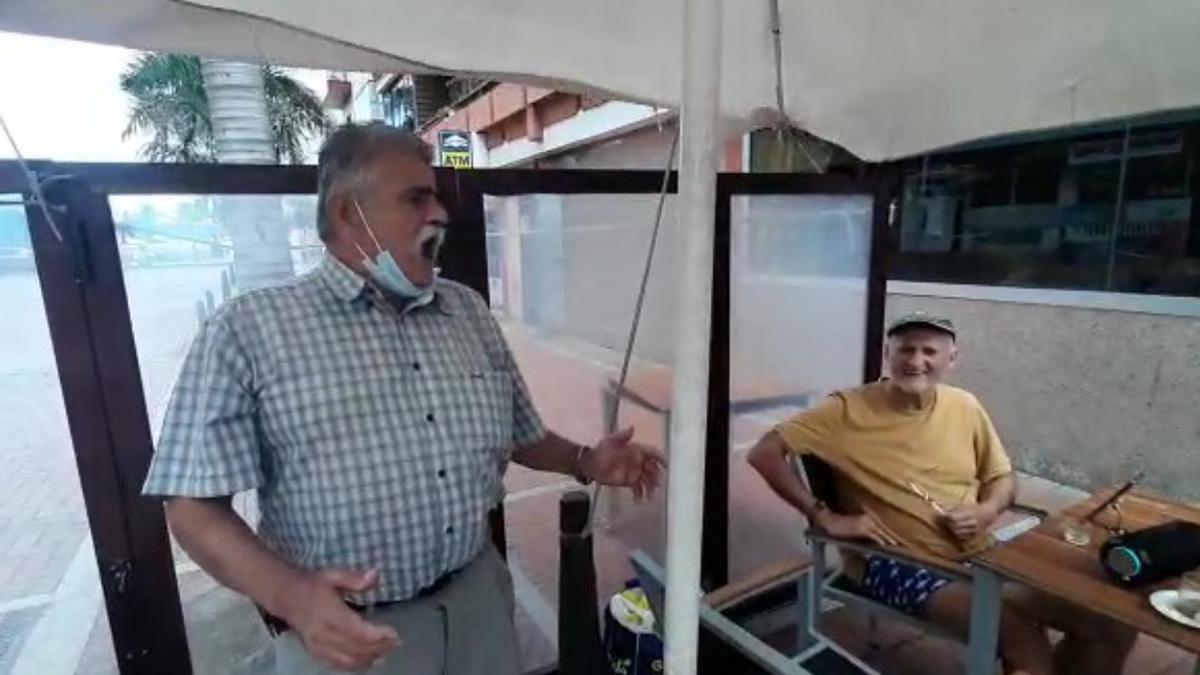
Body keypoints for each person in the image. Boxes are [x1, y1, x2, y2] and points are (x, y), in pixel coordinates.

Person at [142, 122, 666, 675]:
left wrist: (585, 460)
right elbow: (192, 505)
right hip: (352, 637)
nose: (439, 213)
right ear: (349, 215)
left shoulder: (465, 312)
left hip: (478, 605)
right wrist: (291, 595)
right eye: (416, 198)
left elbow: (517, 432)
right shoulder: (248, 331)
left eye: (435, 196)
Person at [746, 312, 1136, 675]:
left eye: (929, 350)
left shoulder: (964, 406)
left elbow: (1002, 478)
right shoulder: (844, 410)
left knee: (1108, 624)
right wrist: (823, 515)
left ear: (952, 359)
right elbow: (764, 453)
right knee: (1022, 638)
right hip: (897, 563)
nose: (916, 360)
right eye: (906, 349)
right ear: (888, 354)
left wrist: (986, 511)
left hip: (980, 555)